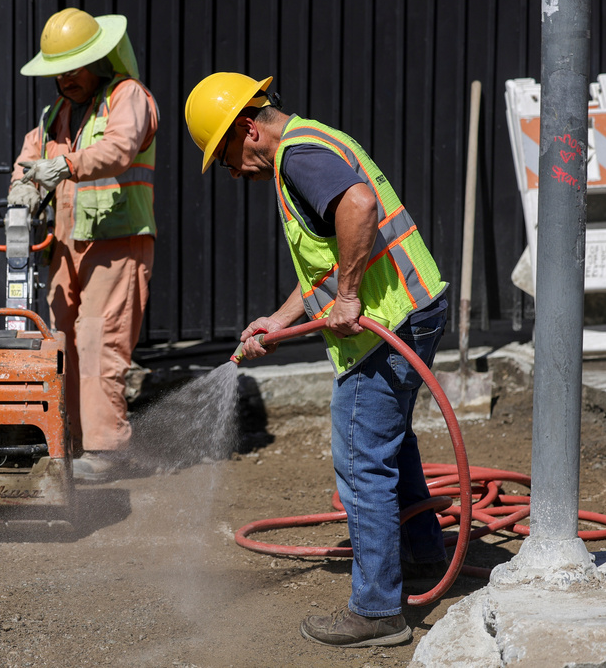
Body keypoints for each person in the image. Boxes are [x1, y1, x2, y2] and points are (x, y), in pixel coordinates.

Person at [184, 72, 450, 647]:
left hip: (385, 322)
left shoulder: (297, 158)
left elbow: (359, 206)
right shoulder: (310, 142)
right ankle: (423, 550)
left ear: (248, 129)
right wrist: (279, 321)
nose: (229, 172)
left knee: (362, 462)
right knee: (391, 440)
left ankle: (377, 610)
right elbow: (328, 262)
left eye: (223, 155)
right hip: (416, 302)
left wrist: (352, 296)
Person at [8, 8, 159, 482]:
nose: (65, 78)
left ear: (98, 59)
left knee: (100, 344)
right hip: (66, 245)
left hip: (117, 243)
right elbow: (29, 158)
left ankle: (106, 450)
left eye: (73, 67)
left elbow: (119, 149)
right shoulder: (57, 112)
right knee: (63, 344)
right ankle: (69, 442)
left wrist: (64, 167)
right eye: (59, 69)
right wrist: (21, 188)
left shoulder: (127, 96)